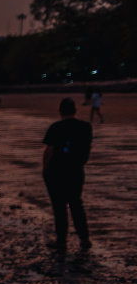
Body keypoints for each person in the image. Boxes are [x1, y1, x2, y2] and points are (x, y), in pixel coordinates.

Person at [42, 97, 93, 251]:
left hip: (57, 171)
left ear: (60, 111)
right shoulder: (86, 127)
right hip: (76, 170)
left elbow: (49, 151)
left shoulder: (56, 127)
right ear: (75, 110)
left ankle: (61, 240)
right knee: (76, 204)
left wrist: (45, 169)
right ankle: (84, 239)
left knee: (59, 207)